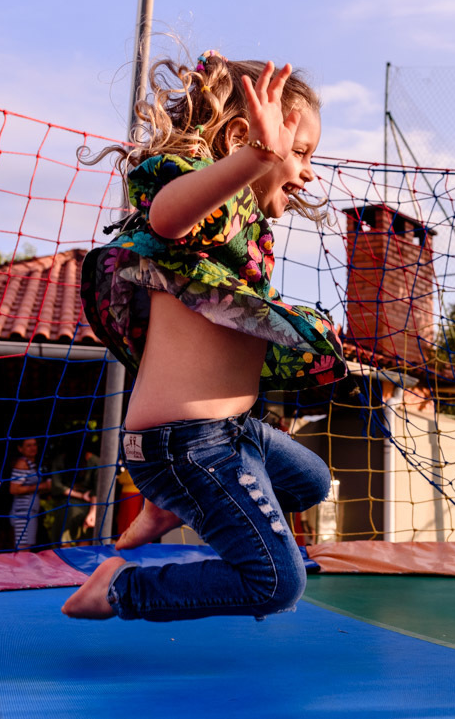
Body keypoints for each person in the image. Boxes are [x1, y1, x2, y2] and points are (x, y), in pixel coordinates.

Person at [63, 51, 346, 621]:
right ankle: (118, 589)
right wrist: (259, 155)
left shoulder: (242, 229)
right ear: (243, 138)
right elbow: (167, 216)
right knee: (275, 584)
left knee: (312, 481)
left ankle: (170, 506)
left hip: (231, 432)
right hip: (184, 443)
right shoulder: (198, 209)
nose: (309, 172)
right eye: (300, 152)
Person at [4, 438, 52, 549]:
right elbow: (14, 489)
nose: (33, 448)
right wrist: (42, 486)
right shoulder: (22, 463)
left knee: (26, 547)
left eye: (34, 444)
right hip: (23, 513)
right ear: (20, 448)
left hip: (30, 512)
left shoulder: (32, 464)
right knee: (23, 548)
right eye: (28, 445)